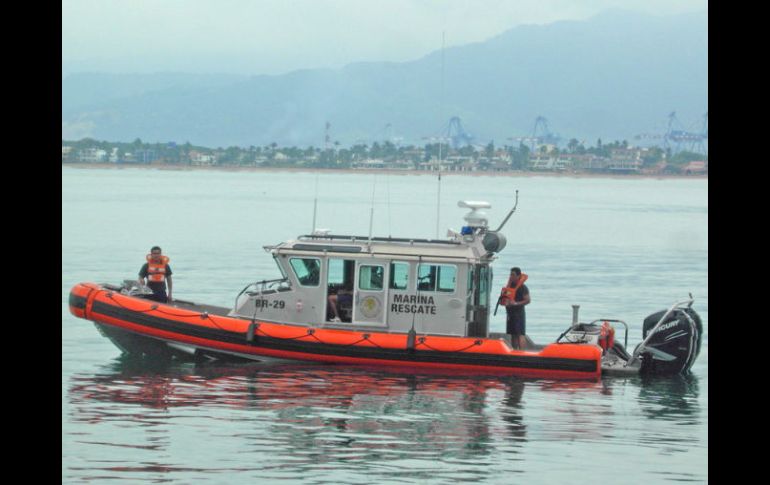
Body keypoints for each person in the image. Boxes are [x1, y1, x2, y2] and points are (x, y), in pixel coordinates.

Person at [503, 267, 530, 350]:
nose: (511, 276)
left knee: (520, 334)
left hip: (519, 313)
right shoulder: (509, 286)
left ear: (518, 276)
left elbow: (528, 300)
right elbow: (505, 297)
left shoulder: (523, 287)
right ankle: (515, 351)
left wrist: (516, 303)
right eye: (510, 274)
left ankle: (522, 352)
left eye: (513, 275)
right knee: (512, 334)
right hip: (510, 313)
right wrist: (504, 302)